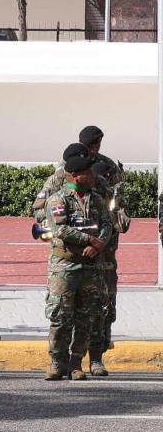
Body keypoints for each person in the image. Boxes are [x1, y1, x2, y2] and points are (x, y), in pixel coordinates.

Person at [42, 153, 111, 381]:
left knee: (86, 317)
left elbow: (106, 225)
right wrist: (90, 241)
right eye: (87, 173)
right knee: (61, 316)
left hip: (91, 268)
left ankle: (76, 363)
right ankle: (56, 362)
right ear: (74, 175)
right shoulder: (57, 199)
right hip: (65, 267)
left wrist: (99, 245)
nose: (92, 176)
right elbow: (60, 230)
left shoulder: (97, 200)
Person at [87, 159, 129, 376]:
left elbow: (123, 225)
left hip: (106, 266)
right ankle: (73, 358)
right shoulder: (86, 199)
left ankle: (97, 358)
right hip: (85, 262)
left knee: (105, 313)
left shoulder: (113, 199)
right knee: (83, 311)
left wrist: (112, 203)